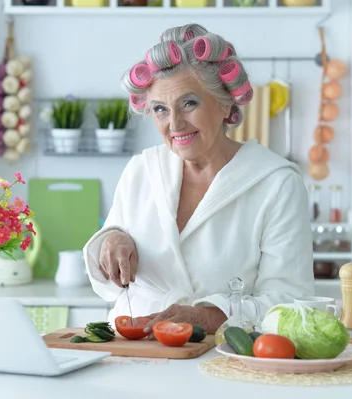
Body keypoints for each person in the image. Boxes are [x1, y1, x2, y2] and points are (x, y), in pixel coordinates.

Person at [83, 23, 314, 336]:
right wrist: (112, 241)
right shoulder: (141, 169)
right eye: (160, 109)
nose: (174, 124)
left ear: (224, 103)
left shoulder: (276, 183)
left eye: (188, 103)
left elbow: (290, 301)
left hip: (225, 361)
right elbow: (110, 265)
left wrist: (208, 316)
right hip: (131, 353)